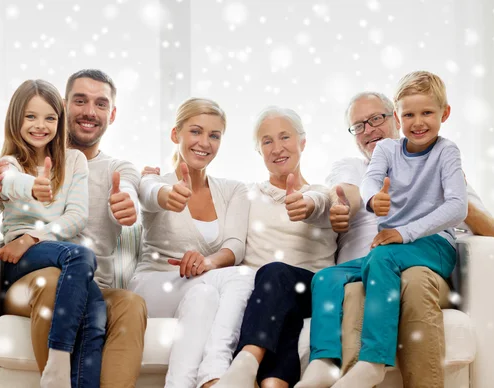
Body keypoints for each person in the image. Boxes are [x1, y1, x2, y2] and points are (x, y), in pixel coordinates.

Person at [0, 69, 147, 388]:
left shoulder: (115, 169)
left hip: (91, 283)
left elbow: (135, 189)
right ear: (65, 106)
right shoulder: (15, 163)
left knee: (129, 304)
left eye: (101, 103)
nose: (90, 111)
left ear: (113, 113)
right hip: (33, 282)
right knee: (51, 279)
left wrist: (132, 201)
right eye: (80, 100)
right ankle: (56, 371)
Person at [318, 87, 494, 388]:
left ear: (393, 119)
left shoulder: (442, 160)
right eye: (359, 125)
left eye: (376, 118)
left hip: (424, 269)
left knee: (415, 280)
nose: (369, 130)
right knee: (354, 291)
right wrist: (343, 205)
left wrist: (449, 190)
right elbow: (347, 192)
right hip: (367, 271)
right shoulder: (354, 168)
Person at [298, 70, 469, 388]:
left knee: (383, 256)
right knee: (328, 277)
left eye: (427, 113)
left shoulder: (447, 152)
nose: (418, 122)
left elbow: (458, 208)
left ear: (444, 114)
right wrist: (372, 198)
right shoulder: (387, 151)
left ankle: (373, 362)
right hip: (389, 252)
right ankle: (323, 360)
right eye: (410, 115)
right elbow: (369, 180)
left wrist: (404, 233)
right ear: (400, 116)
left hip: (433, 247)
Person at [129, 97, 253, 388]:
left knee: (205, 297)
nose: (204, 142)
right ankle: (215, 373)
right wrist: (166, 195)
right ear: (176, 135)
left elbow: (235, 245)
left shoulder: (234, 189)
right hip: (153, 286)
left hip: (199, 285)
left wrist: (207, 262)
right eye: (195, 131)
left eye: (214, 135)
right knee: (243, 276)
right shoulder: (154, 181)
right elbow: (149, 194)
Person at [212, 107, 337, 388]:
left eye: (285, 137)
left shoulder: (323, 193)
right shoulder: (246, 194)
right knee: (280, 311)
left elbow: (320, 202)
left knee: (275, 274)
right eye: (267, 141)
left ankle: (244, 364)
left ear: (302, 142)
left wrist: (306, 203)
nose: (277, 148)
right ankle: (273, 384)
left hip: (311, 288)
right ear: (259, 151)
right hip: (265, 297)